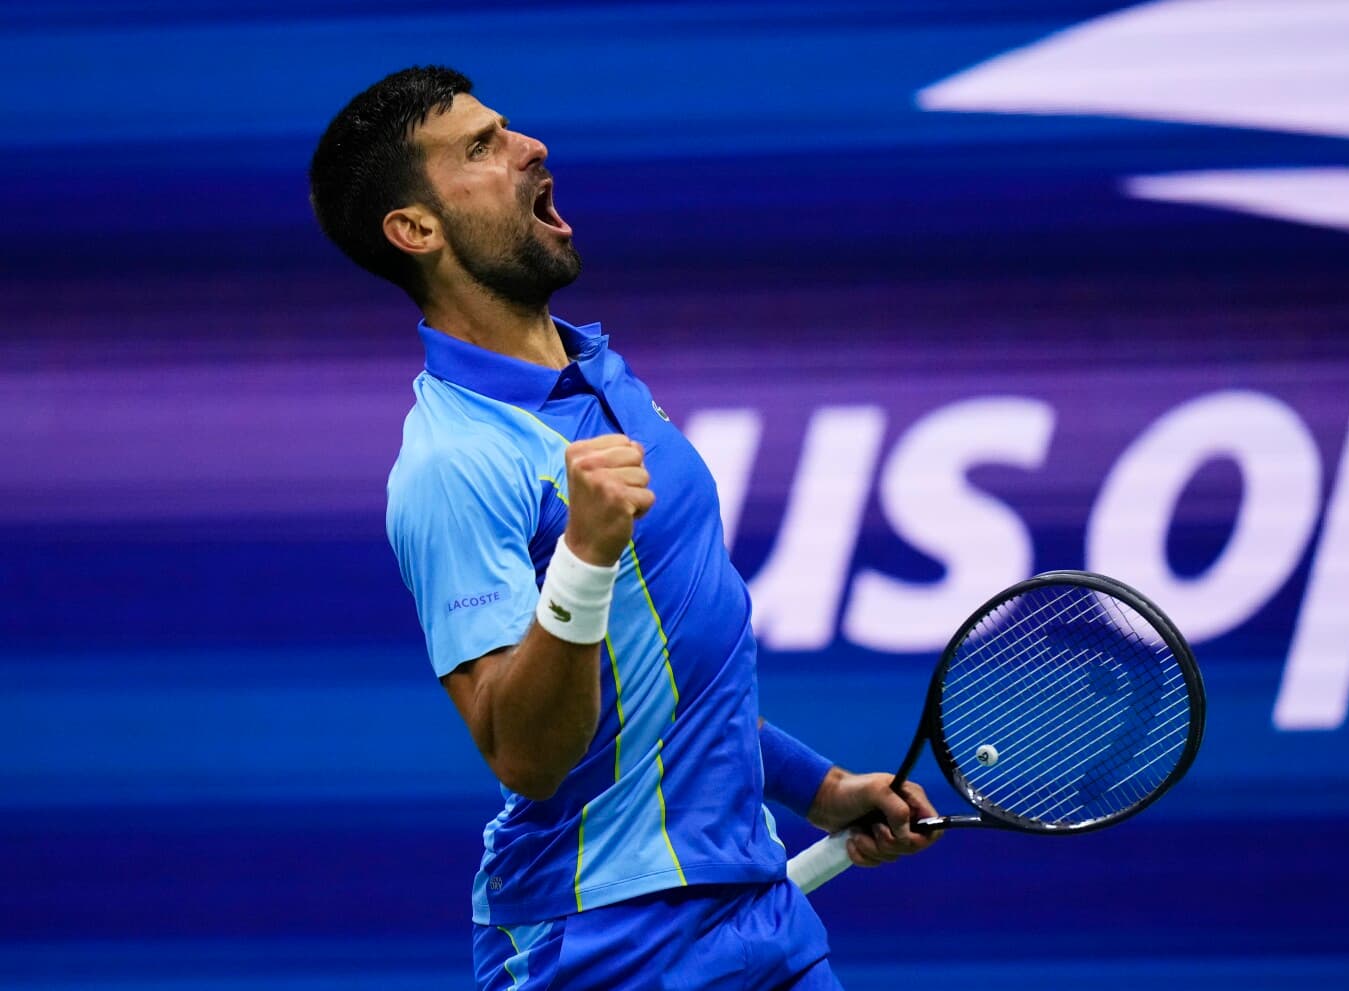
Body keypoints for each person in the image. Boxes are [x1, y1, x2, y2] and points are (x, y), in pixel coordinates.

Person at [309, 65, 938, 990]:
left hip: (759, 906)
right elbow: (525, 754)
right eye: (481, 148)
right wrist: (585, 557)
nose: (531, 148)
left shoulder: (595, 367)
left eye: (508, 127)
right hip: (604, 939)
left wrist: (821, 786)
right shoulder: (451, 466)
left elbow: (666, 675)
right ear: (416, 229)